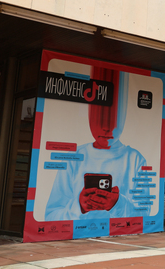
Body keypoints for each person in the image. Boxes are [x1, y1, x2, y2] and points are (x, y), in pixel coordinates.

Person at [45, 70, 148, 221]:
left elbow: (144, 215)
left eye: (115, 116)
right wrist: (79, 206)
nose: (107, 127)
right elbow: (51, 216)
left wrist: (117, 204)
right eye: (100, 115)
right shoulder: (73, 157)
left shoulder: (135, 160)